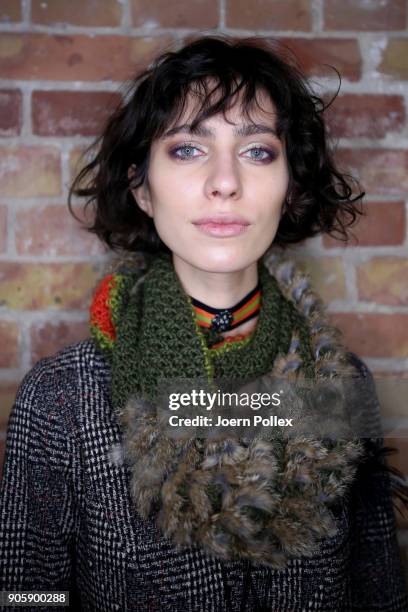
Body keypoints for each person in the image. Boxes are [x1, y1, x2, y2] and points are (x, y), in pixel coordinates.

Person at [0, 34, 407, 611]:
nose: (225, 182)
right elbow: (25, 597)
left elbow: (379, 595)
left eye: (258, 151)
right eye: (188, 149)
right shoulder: (64, 398)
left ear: (289, 187)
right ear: (142, 187)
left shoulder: (340, 387)